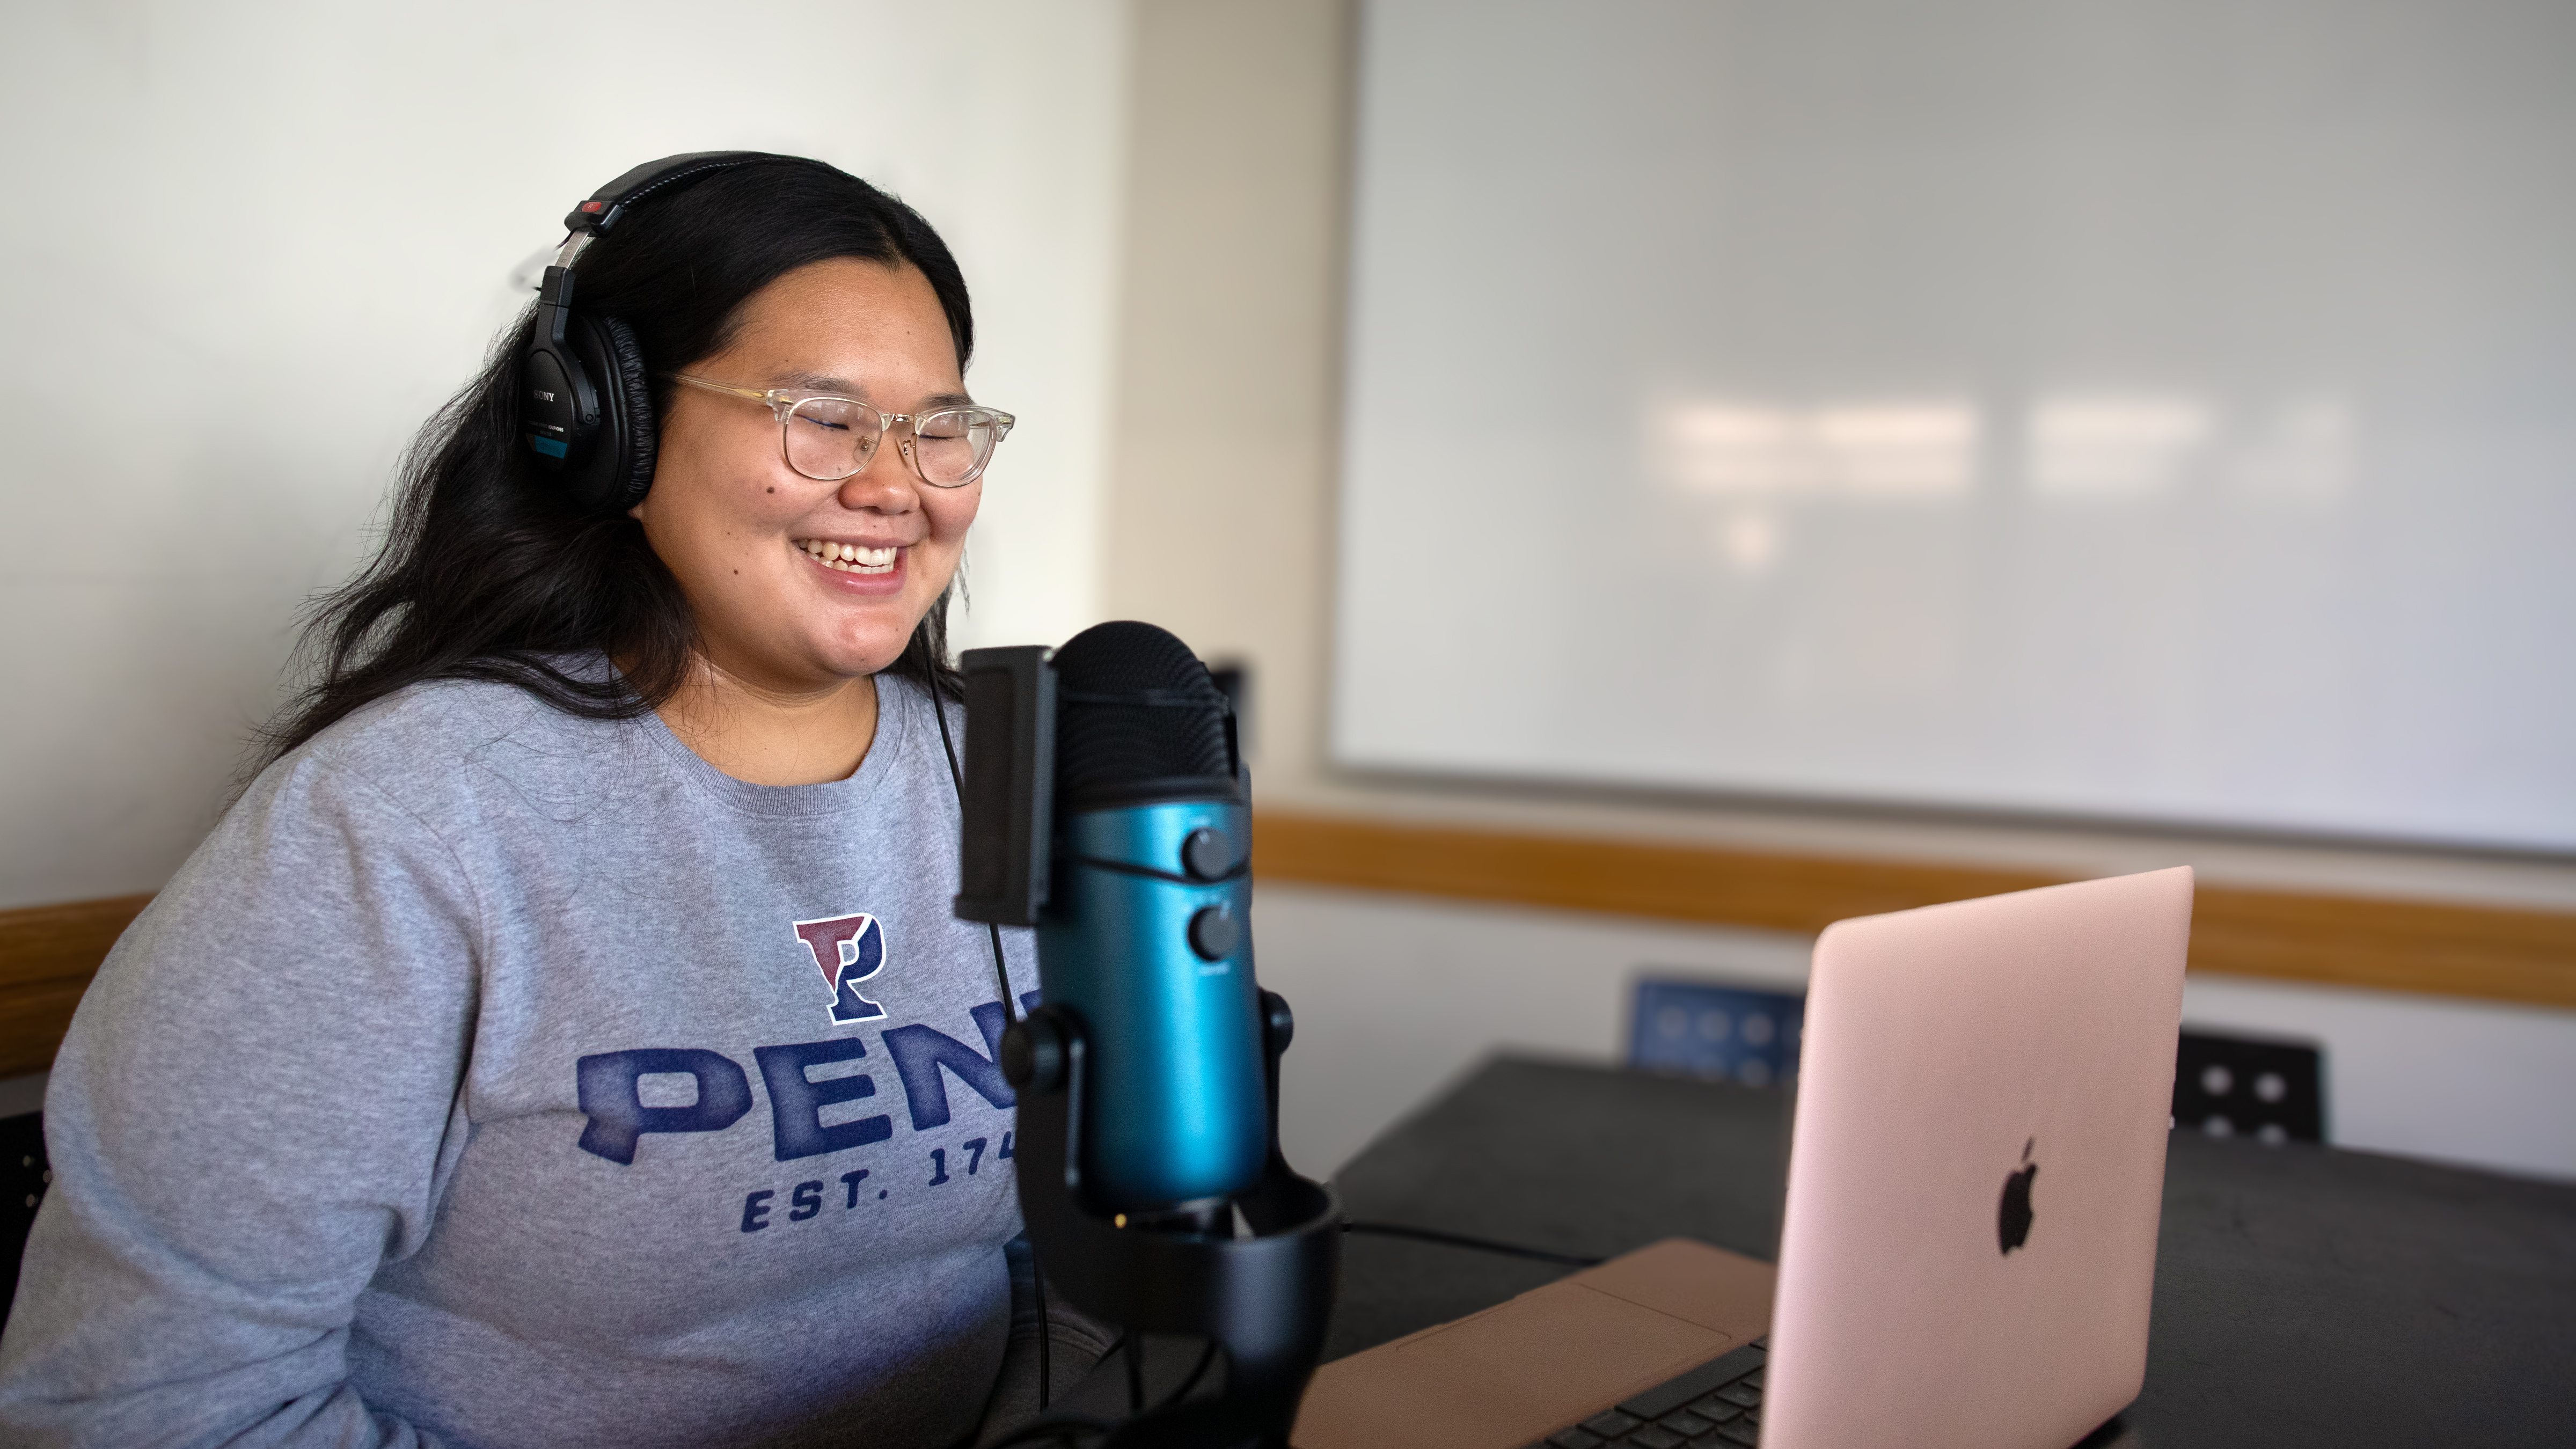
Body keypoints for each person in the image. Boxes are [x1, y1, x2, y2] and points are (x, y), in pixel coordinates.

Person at [0, 155, 1102, 1447]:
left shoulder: (1013, 770)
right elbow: (142, 1408)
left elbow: (1073, 1256)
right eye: (823, 415)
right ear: (604, 433)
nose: (896, 483)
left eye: (939, 426)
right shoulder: (397, 829)